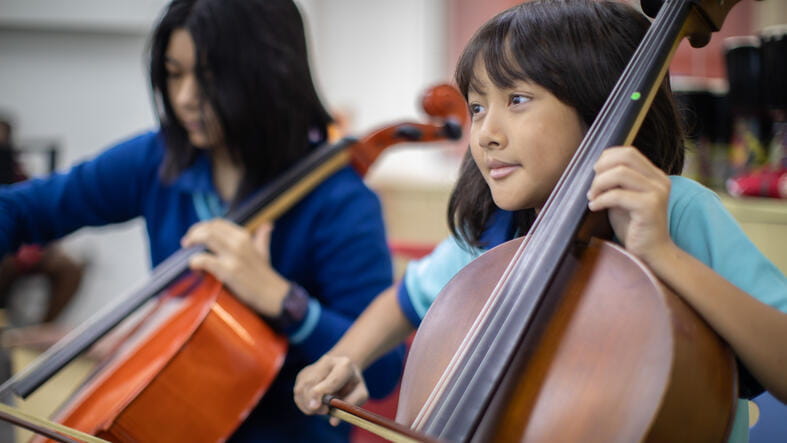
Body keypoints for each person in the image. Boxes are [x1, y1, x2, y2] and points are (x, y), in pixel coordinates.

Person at [293, 1, 787, 442]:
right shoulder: (497, 233)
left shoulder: (673, 209)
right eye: (479, 106)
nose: (485, 133)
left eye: (518, 100)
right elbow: (403, 301)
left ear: (599, 107)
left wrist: (663, 255)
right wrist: (347, 356)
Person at [0, 0, 404, 441]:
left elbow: (382, 371)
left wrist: (285, 302)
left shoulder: (341, 201)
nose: (185, 98)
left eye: (209, 77)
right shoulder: (159, 159)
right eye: (174, 74)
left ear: (270, 75)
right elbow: (23, 210)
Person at [0, 117, 86, 324]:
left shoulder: (15, 169)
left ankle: (41, 329)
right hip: (9, 249)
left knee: (69, 267)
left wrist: (42, 247)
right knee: (6, 264)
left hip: (27, 246)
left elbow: (32, 206)